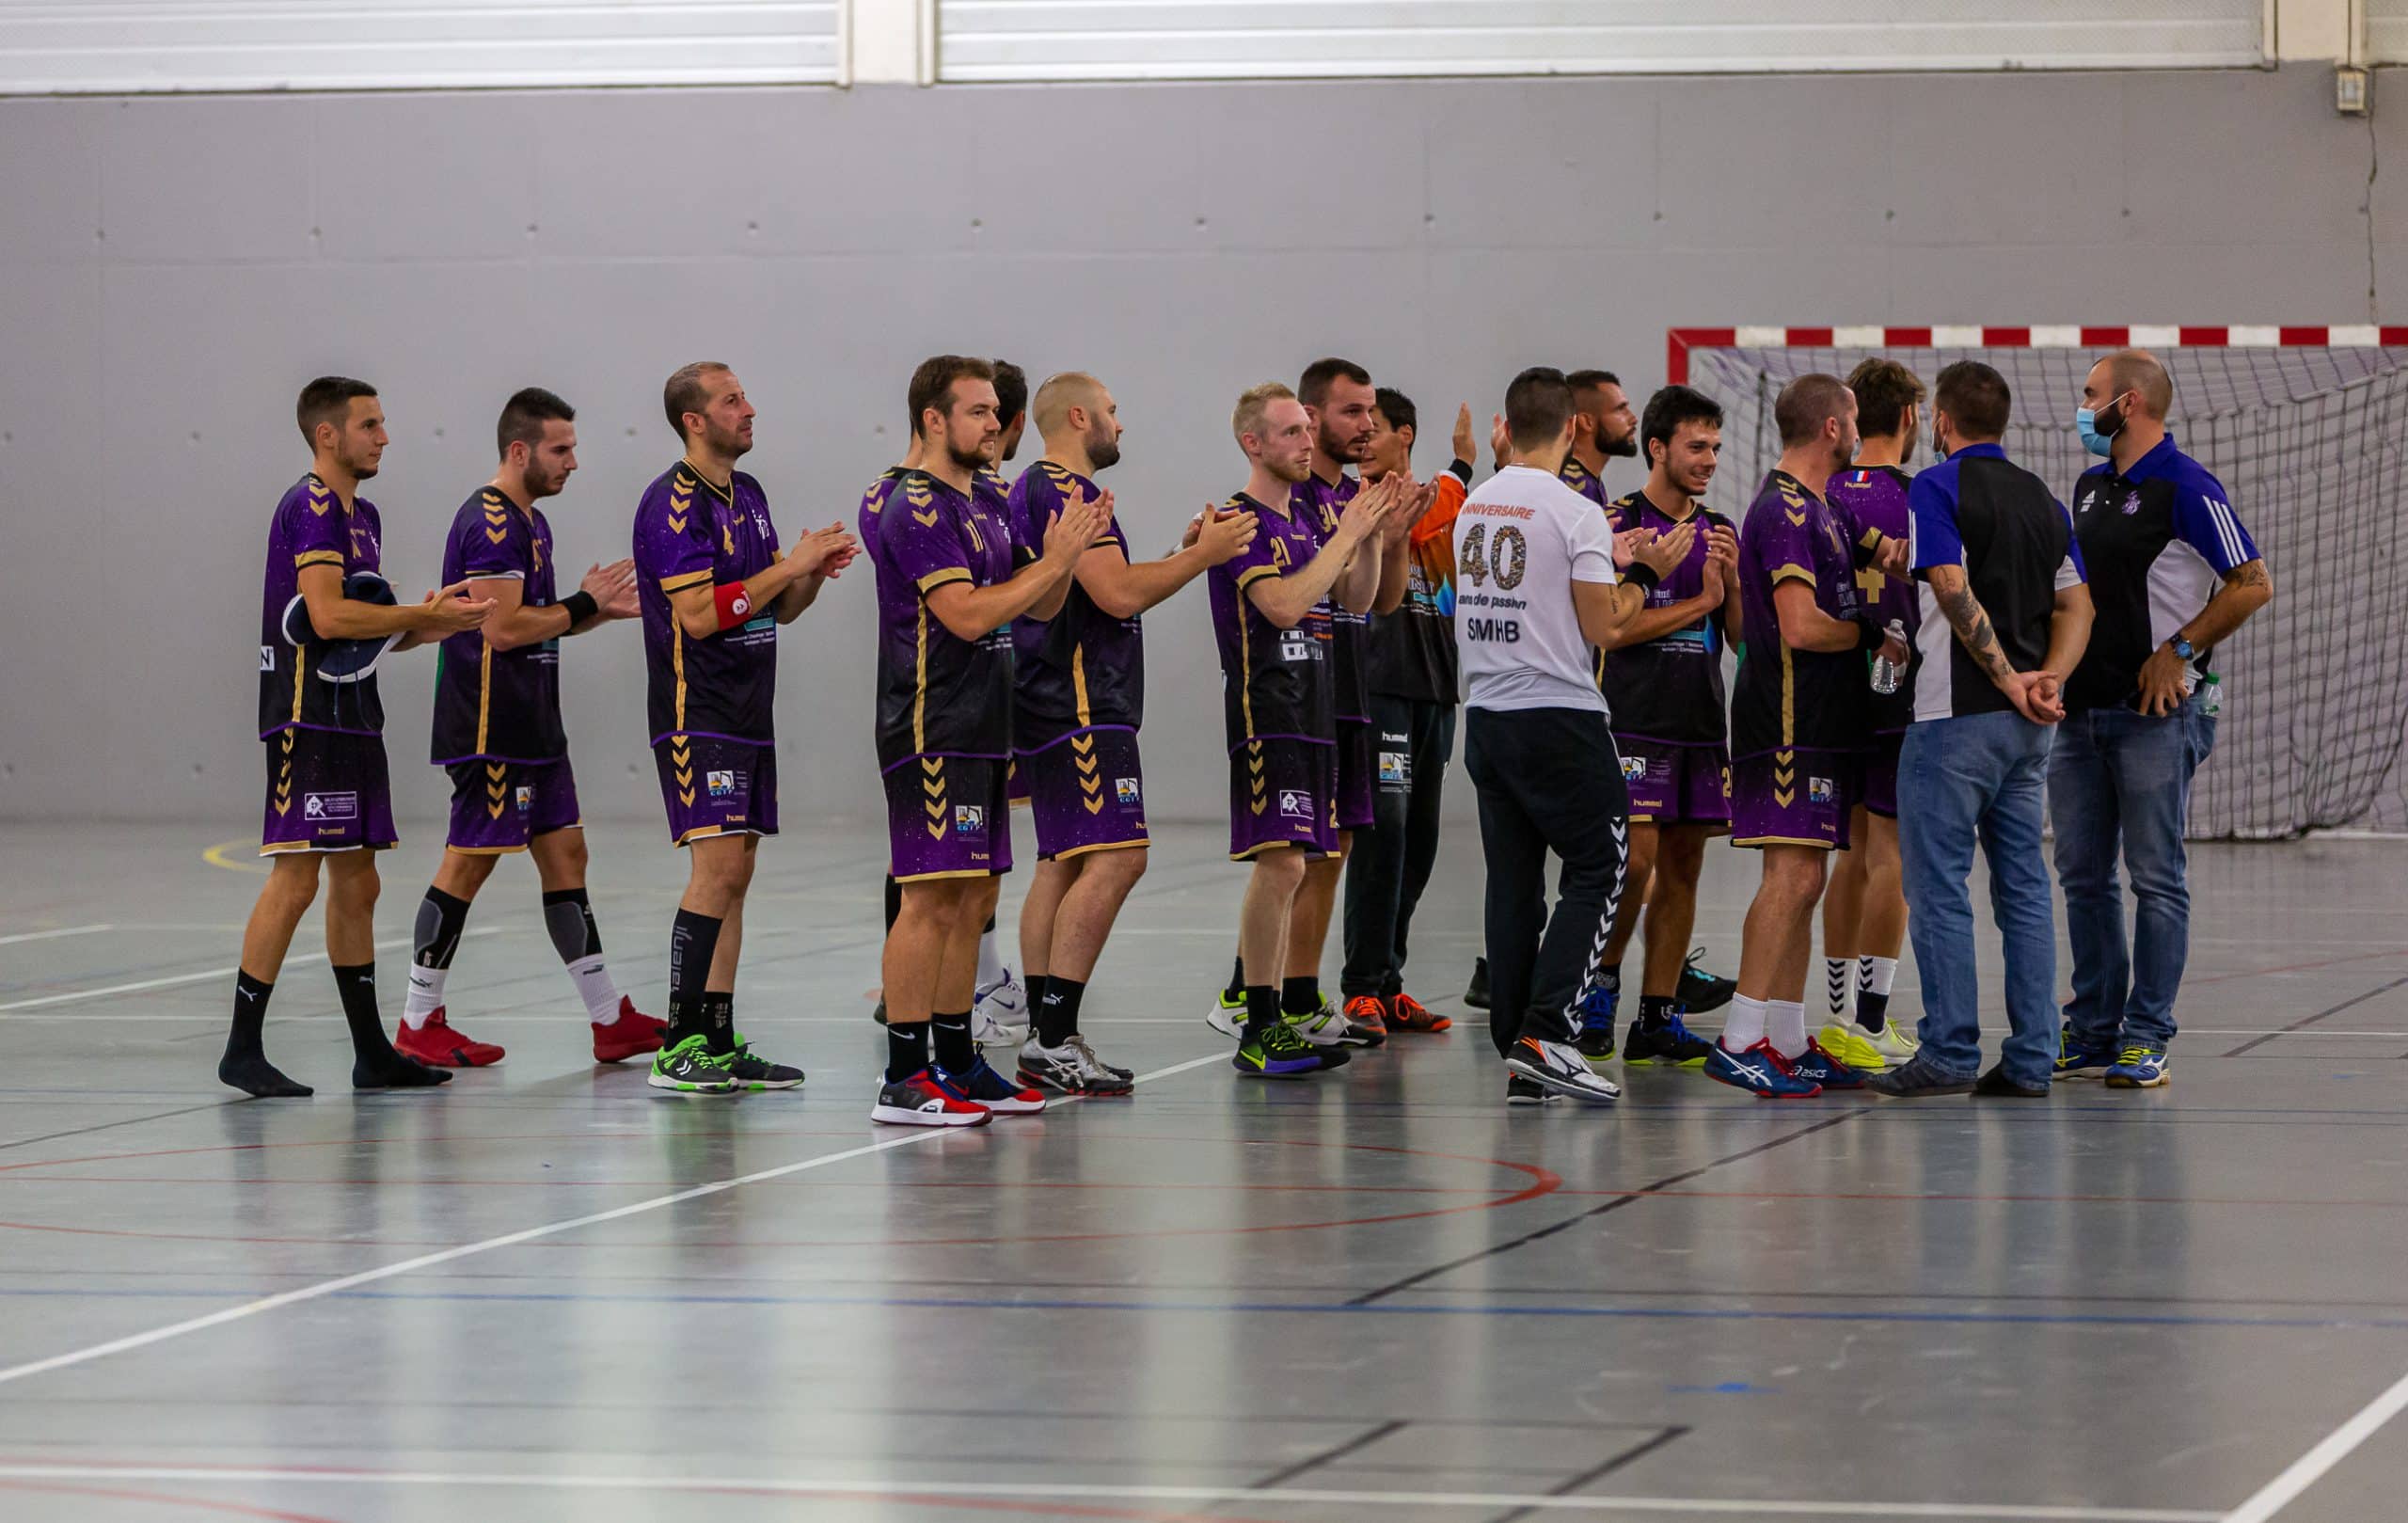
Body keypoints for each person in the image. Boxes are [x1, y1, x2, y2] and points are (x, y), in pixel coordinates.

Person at [221, 376, 494, 1098]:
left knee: (360, 880)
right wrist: (414, 613)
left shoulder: (363, 515)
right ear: (327, 436)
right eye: (370, 424)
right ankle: (242, 1048)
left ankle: (371, 1053)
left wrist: (431, 620)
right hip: (305, 715)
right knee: (298, 876)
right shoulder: (310, 506)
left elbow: (365, 638)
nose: (384, 436)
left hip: (354, 713)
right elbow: (329, 618)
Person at [1007, 372, 1256, 1094]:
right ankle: (1054, 1034)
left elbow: (1108, 579)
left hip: (1052, 697)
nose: (1122, 424)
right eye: (1113, 412)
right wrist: (1202, 557)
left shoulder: (1034, 487)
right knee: (1120, 856)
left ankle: (1044, 1034)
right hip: (1082, 699)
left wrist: (1184, 552)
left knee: (1060, 861)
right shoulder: (1067, 490)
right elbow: (1115, 593)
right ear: (1080, 417)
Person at [870, 356, 1103, 1126]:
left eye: (995, 413)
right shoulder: (918, 506)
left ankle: (959, 1058)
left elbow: (1041, 603)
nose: (993, 426)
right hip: (931, 723)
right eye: (975, 412)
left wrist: (1063, 555)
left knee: (972, 900)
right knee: (930, 900)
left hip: (986, 725)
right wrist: (1056, 564)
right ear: (933, 421)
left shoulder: (990, 502)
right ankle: (906, 1074)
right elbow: (969, 615)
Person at [399, 388, 661, 1070]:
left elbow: (539, 618)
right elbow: (505, 628)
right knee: (469, 860)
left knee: (567, 855)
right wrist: (582, 603)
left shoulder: (530, 520)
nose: (574, 462)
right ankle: (418, 1018)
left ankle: (610, 1020)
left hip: (535, 726)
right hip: (490, 726)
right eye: (560, 449)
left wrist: (596, 611)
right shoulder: (491, 520)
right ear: (519, 450)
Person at [1456, 367, 1694, 1105]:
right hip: (1557, 712)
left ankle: (1518, 1045)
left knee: (1515, 879)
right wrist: (1648, 572)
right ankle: (1550, 1031)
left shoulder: (1475, 504)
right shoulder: (1574, 509)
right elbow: (1603, 625)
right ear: (1569, 429)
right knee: (1604, 864)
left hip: (1487, 716)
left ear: (1511, 423)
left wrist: (1606, 559)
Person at [633, 362, 857, 1094]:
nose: (749, 409)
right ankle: (676, 1043)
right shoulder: (672, 503)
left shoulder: (748, 495)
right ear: (695, 420)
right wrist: (786, 564)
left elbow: (771, 610)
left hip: (749, 711)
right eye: (732, 401)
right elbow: (699, 616)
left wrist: (808, 575)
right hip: (697, 713)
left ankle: (717, 1039)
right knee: (717, 870)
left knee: (739, 874)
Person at [1871, 360, 2093, 1098]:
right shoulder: (2042, 498)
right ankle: (2033, 1057)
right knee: (2024, 888)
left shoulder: (1936, 486)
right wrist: (2046, 680)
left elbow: (1949, 585)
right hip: (2031, 728)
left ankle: (1949, 1051)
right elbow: (2078, 607)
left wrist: (2003, 678)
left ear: (1940, 420)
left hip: (1953, 719)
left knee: (1937, 889)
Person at [2051, 349, 2271, 1089]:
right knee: (2082, 874)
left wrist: (2180, 649)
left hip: (2156, 718)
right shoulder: (2087, 487)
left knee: (2155, 876)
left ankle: (2148, 1036)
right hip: (2081, 714)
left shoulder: (2187, 485)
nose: (2082, 408)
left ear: (2131, 403)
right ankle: (2092, 1028)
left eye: (2091, 396)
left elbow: (2252, 583)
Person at [1713, 373, 1909, 1099]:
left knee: (1810, 877)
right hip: (1786, 720)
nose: (1860, 433)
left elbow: (1878, 547)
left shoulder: (1824, 508)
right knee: (1789, 877)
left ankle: (1787, 1037)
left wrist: (1892, 554)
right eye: (1853, 420)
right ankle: (1738, 1038)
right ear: (1832, 427)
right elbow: (1799, 626)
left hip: (1821, 724)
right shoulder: (1788, 510)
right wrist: (1867, 632)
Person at [1208, 382, 1395, 1076]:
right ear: (1253, 443)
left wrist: (1370, 536)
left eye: (1306, 431)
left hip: (1317, 708)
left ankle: (1285, 1009)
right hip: (1271, 711)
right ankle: (1256, 1021)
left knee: (1310, 861)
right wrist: (1348, 533)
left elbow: (1356, 597)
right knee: (1282, 861)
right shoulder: (1239, 521)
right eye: (1289, 432)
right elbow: (1283, 605)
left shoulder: (1313, 522)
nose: (1305, 443)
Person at [1572, 385, 1740, 1071]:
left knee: (1683, 866)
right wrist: (1698, 599)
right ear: (1658, 447)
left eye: (1716, 449)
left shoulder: (1719, 529)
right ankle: (1599, 992)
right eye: (1696, 447)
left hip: (1699, 720)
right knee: (1632, 864)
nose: (1708, 460)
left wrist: (1728, 591)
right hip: (1630, 722)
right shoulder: (1615, 525)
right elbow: (1614, 623)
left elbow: (1735, 635)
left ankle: (1659, 1015)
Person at [1339, 389, 1473, 1037]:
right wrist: (1460, 471)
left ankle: (1391, 980)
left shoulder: (1443, 504)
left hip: (1437, 690)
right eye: (1356, 423)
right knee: (1383, 831)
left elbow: (1450, 513)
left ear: (1405, 434)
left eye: (1376, 426)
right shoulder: (1355, 500)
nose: (1363, 434)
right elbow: (1420, 514)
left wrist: (1463, 474)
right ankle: (1361, 984)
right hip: (1380, 686)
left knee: (1420, 839)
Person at [1817, 359, 1927, 1070]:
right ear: (1911, 417)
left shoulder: (1821, 490)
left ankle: (1833, 1016)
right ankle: (1871, 1018)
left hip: (1832, 692)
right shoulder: (1922, 498)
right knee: (1894, 856)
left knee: (1851, 854)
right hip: (1897, 691)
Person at [974, 357, 1034, 1045]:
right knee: (950, 851)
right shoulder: (987, 496)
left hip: (991, 686)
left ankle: (976, 974)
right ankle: (977, 981)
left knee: (974, 847)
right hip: (971, 694)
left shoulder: (992, 494)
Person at [1554, 369, 1639, 511]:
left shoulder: (1589, 480)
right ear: (1587, 422)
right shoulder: (1574, 485)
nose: (1633, 419)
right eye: (1620, 409)